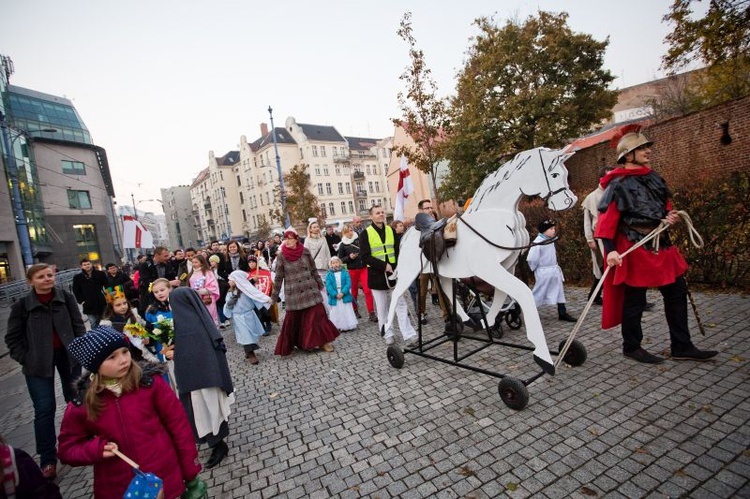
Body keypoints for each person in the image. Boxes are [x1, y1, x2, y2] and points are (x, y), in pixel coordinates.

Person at [596, 126, 718, 364]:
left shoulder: (654, 177)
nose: (647, 151)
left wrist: (670, 216)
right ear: (628, 155)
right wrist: (610, 251)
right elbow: (606, 222)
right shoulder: (617, 184)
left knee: (676, 292)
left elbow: (665, 205)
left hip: (661, 245)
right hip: (635, 246)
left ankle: (681, 346)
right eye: (641, 148)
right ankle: (631, 346)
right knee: (635, 300)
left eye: (646, 147)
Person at [58, 326, 201, 498]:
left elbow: (179, 427)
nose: (123, 360)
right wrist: (95, 449)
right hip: (119, 487)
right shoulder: (84, 403)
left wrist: (190, 471)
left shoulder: (150, 384)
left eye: (125, 352)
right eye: (112, 357)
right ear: (95, 365)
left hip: (162, 479)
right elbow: (67, 450)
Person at [4, 264, 85, 480]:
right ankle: (48, 459)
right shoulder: (22, 305)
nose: (47, 279)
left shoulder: (65, 298)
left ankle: (82, 440)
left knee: (76, 401)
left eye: (50, 275)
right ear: (31, 281)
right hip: (38, 363)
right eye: (41, 276)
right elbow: (12, 338)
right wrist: (27, 358)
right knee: (44, 409)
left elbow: (79, 326)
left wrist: (79, 349)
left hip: (68, 357)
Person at [168, 287, 234, 469]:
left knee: (208, 411)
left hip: (203, 381)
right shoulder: (189, 321)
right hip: (198, 380)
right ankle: (214, 442)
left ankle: (218, 445)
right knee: (204, 412)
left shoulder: (190, 326)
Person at [271, 227, 339, 355]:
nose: (287, 241)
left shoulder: (305, 252)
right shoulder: (281, 256)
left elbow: (313, 270)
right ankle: (306, 343)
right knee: (299, 321)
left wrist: (320, 284)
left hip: (310, 289)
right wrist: (274, 296)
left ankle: (324, 342)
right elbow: (279, 278)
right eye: (285, 239)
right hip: (294, 293)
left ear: (296, 239)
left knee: (318, 317)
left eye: (290, 238)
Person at [360, 205, 418, 346]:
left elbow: (398, 250)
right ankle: (388, 333)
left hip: (393, 273)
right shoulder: (365, 234)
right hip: (377, 275)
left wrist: (398, 266)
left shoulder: (391, 230)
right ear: (371, 216)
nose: (381, 214)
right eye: (377, 213)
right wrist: (383, 266)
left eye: (382, 212)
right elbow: (365, 257)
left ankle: (409, 334)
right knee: (382, 308)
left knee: (401, 304)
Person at [526, 220, 576, 322]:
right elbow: (531, 258)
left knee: (559, 291)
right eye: (551, 229)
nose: (554, 230)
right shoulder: (538, 242)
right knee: (539, 292)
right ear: (544, 231)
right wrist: (536, 269)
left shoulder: (549, 240)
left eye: (554, 228)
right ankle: (529, 311)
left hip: (553, 270)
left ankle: (562, 312)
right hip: (544, 272)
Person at [224, 271, 273, 364]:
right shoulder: (230, 292)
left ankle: (247, 350)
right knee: (245, 335)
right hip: (238, 317)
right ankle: (251, 354)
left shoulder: (247, 291)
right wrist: (230, 303)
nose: (228, 282)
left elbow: (256, 296)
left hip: (248, 315)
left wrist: (266, 300)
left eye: (230, 280)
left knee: (250, 334)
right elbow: (227, 305)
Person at [415, 199, 450, 324]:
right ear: (421, 210)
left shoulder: (436, 224)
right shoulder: (416, 228)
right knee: (423, 290)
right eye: (427, 208)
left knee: (440, 288)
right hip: (423, 264)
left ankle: (446, 314)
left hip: (435, 262)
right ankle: (421, 312)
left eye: (431, 207)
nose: (430, 210)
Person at [99, 290, 158, 363]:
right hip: (126, 357)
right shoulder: (107, 324)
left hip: (143, 352)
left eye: (124, 303)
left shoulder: (133, 314)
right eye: (118, 305)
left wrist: (146, 337)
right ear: (111, 307)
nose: (123, 307)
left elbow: (142, 326)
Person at [337, 224, 376, 321]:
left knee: (367, 290)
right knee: (354, 292)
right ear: (344, 233)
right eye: (347, 231)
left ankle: (371, 312)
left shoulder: (359, 239)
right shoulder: (342, 245)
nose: (350, 233)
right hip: (352, 270)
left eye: (351, 230)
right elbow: (340, 259)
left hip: (363, 268)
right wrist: (349, 257)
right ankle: (355, 310)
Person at [138, 247, 179, 314]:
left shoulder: (168, 264)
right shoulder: (146, 265)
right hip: (150, 299)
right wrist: (168, 283)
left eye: (168, 255)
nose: (168, 258)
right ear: (157, 256)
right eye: (165, 256)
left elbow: (172, 277)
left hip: (167, 299)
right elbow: (147, 282)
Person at [325, 257, 358, 331]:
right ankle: (337, 325)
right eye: (333, 263)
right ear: (331, 265)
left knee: (346, 309)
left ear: (339, 263)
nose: (335, 264)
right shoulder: (329, 275)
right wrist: (335, 294)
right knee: (337, 310)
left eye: (337, 262)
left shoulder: (345, 272)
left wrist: (343, 292)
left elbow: (348, 283)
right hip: (335, 295)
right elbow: (328, 286)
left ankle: (349, 324)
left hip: (344, 294)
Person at [72, 258, 108, 329]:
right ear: (81, 266)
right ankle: (95, 338)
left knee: (104, 321)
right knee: (93, 323)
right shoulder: (77, 277)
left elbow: (107, 285)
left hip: (100, 301)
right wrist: (81, 301)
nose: (87, 266)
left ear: (91, 264)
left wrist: (109, 296)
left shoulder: (100, 274)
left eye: (88, 264)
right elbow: (76, 290)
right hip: (88, 304)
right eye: (84, 265)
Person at [188, 254, 220, 326]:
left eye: (196, 262)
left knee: (210, 317)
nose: (194, 264)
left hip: (207, 298)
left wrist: (202, 291)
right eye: (192, 262)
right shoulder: (191, 273)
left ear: (201, 263)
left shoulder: (208, 272)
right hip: (196, 298)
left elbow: (214, 286)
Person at [247, 255, 275, 332]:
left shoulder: (264, 272)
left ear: (256, 263)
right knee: (258, 313)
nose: (251, 264)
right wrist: (253, 280)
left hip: (263, 295)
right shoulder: (247, 274)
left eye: (253, 262)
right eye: (249, 262)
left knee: (266, 312)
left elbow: (269, 282)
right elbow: (246, 285)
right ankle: (262, 326)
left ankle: (268, 323)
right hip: (254, 297)